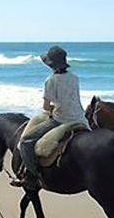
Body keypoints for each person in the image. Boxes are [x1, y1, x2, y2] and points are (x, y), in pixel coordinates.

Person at [12, 45, 87, 189]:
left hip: (61, 120)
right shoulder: (74, 77)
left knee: (26, 141)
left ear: (50, 64)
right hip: (80, 118)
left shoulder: (51, 81)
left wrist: (53, 108)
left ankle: (32, 177)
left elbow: (46, 107)